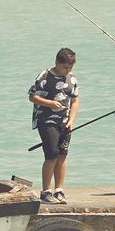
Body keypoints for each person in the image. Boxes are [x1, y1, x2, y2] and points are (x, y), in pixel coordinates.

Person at [28, 47, 79, 205]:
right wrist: (49, 103)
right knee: (51, 156)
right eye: (65, 67)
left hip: (64, 123)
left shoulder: (72, 79)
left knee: (62, 155)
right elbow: (32, 96)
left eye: (70, 68)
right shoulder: (45, 76)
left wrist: (71, 120)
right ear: (57, 62)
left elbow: (75, 101)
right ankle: (46, 192)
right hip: (46, 121)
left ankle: (59, 190)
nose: (67, 70)